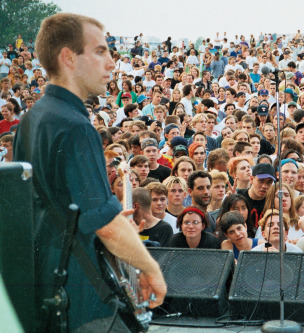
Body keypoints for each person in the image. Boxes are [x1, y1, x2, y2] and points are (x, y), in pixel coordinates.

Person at [13, 13, 165, 331]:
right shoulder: (75, 127)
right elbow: (106, 226)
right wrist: (151, 268)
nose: (111, 62)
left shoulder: (32, 117)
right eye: (99, 51)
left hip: (42, 287)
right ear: (69, 57)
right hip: (79, 297)